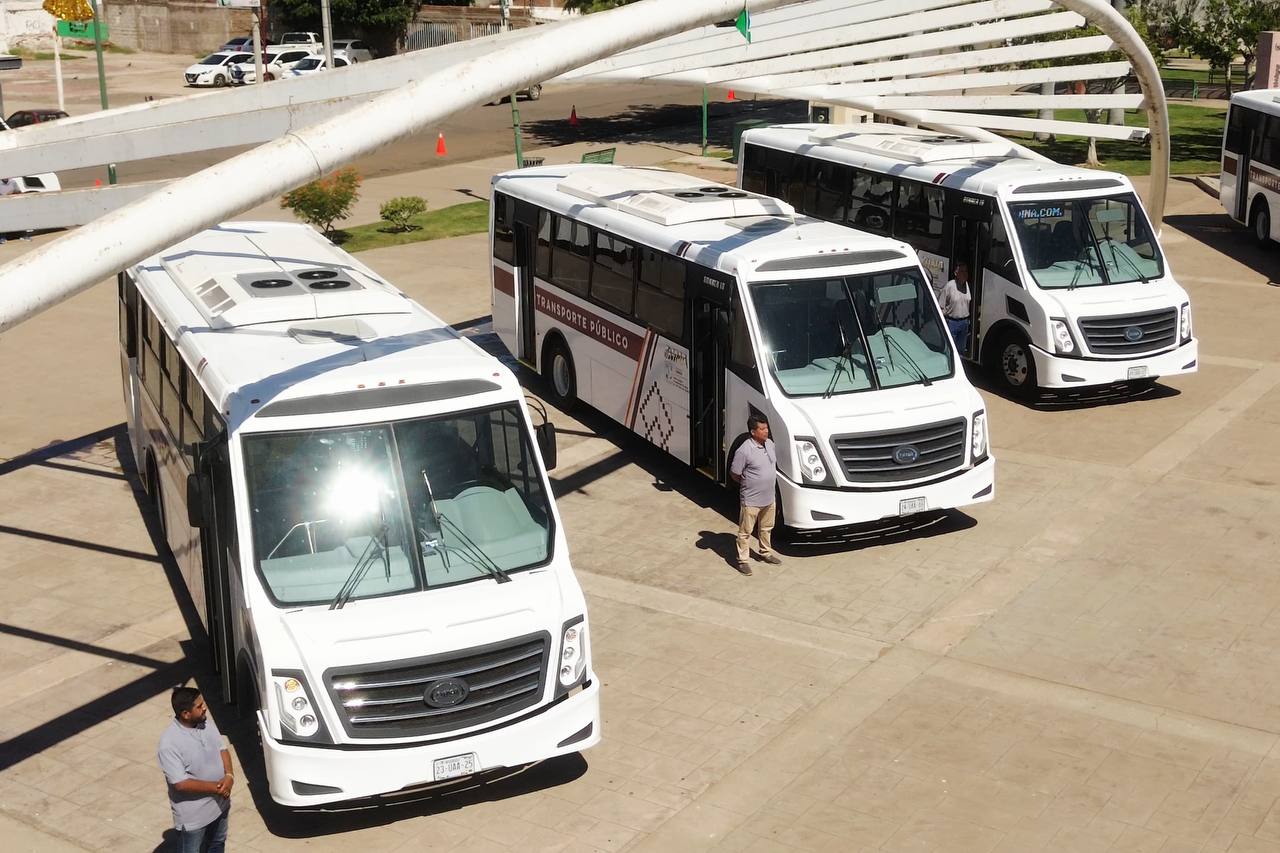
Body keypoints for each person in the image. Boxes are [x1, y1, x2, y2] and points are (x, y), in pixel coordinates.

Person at [157, 687, 233, 853]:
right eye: (199, 706)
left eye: (203, 703)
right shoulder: (169, 744)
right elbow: (181, 784)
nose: (204, 708)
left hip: (220, 806)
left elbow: (222, 749)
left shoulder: (206, 724)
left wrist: (229, 776)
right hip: (194, 819)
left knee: (217, 844)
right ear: (186, 714)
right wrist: (218, 788)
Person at [729, 415, 782, 576]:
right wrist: (749, 484)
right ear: (753, 432)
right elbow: (735, 473)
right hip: (751, 500)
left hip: (769, 498)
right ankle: (743, 561)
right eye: (762, 429)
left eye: (766, 428)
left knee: (766, 528)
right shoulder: (744, 450)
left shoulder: (770, 444)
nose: (766, 431)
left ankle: (765, 553)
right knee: (745, 532)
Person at [940, 261, 973, 350]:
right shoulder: (949, 286)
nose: (965, 274)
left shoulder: (968, 286)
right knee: (950, 349)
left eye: (966, 271)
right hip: (952, 323)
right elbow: (941, 305)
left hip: (964, 323)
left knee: (961, 350)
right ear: (956, 273)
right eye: (962, 271)